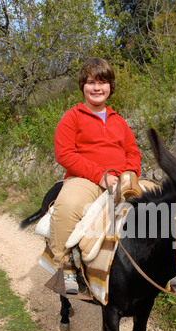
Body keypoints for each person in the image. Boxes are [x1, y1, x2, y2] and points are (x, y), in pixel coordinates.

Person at [50, 58, 142, 294]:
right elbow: (64, 153)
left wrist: (130, 173)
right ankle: (64, 267)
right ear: (83, 86)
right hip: (85, 179)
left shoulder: (119, 121)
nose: (97, 88)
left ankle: (166, 264)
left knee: (161, 203)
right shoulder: (72, 116)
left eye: (102, 82)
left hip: (120, 180)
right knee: (68, 204)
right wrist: (100, 176)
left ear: (110, 86)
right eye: (91, 82)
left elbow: (132, 151)